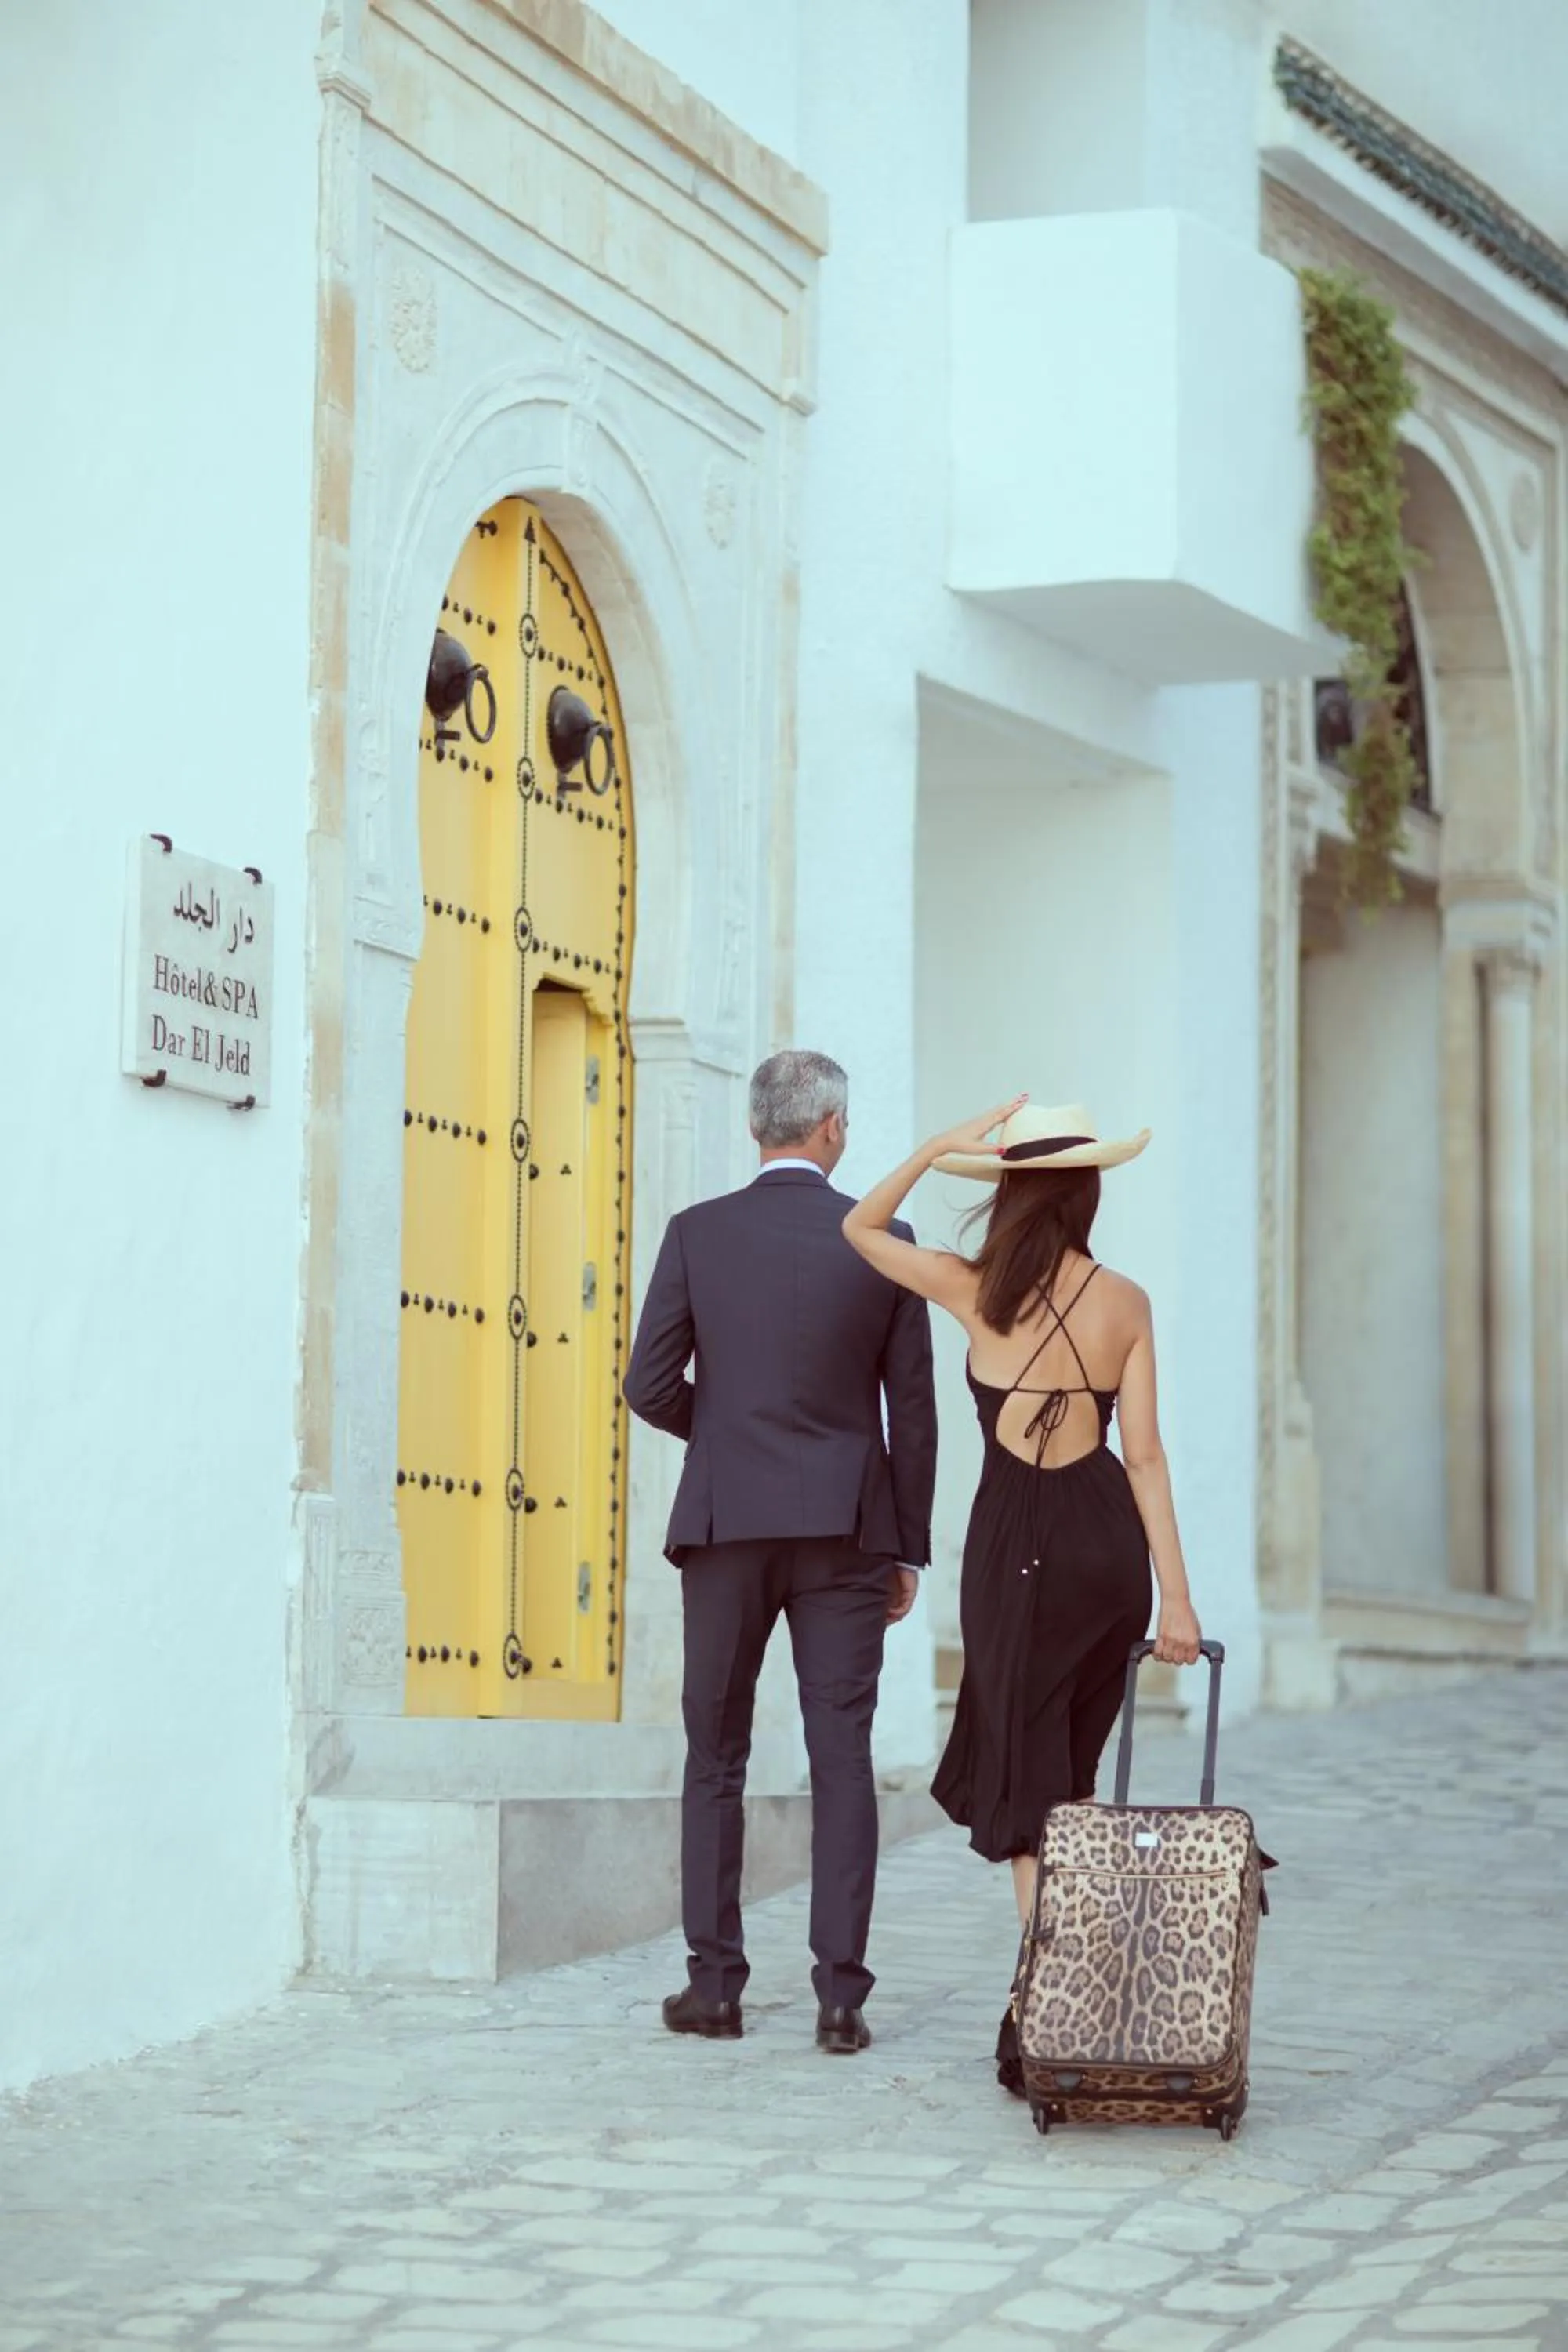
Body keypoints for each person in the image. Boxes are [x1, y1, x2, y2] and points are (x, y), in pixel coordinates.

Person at [841, 1094, 1202, 2096]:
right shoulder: (1124, 1300)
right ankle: (1065, 1999)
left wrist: (934, 1149)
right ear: (1084, 1193)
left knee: (1029, 1783)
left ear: (1009, 1195)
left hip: (1012, 1554)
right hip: (1104, 1559)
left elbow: (858, 1228)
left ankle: (1045, 2005)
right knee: (1071, 1779)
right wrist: (1176, 1600)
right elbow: (1147, 1460)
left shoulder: (969, 1288)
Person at [624, 1049, 938, 2056]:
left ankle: (713, 1987)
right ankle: (840, 1997)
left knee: (714, 1753)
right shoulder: (885, 1240)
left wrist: (719, 1439)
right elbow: (914, 1413)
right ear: (833, 1128)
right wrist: (907, 1546)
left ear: (754, 1129)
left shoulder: (696, 1234)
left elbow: (646, 1383)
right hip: (848, 1528)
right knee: (840, 1755)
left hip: (724, 1525)